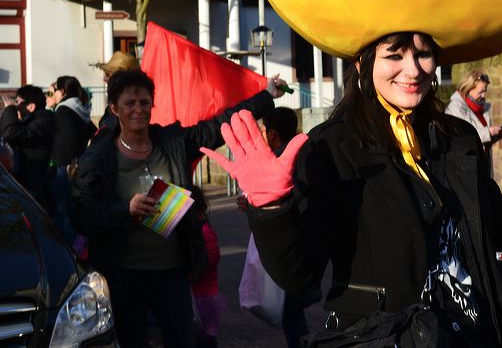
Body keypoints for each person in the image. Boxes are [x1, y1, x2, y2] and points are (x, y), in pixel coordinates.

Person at [203, 32, 502, 347]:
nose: (413, 69)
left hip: (472, 337)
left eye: (423, 54)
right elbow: (298, 275)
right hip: (381, 339)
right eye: (395, 55)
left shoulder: (457, 137)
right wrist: (271, 208)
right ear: (362, 65)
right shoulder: (332, 148)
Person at [69, 69, 288, 348]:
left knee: (182, 341)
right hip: (122, 276)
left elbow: (220, 123)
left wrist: (267, 95)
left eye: (145, 102)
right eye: (130, 103)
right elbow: (79, 213)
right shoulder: (97, 157)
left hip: (172, 272)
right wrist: (125, 209)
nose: (139, 109)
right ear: (114, 108)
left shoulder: (174, 142)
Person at [236, 107, 319, 348]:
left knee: (292, 315)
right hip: (299, 243)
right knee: (293, 314)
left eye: (263, 130)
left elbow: (288, 203)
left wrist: (258, 206)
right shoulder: (303, 154)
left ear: (272, 133)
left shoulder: (280, 162)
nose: (261, 134)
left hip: (289, 247)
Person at [48, 75, 97, 240]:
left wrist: (62, 163)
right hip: (78, 164)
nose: (51, 96)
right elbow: (93, 133)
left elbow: (65, 141)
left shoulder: (63, 110)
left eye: (53, 92)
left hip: (65, 168)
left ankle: (68, 248)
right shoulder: (80, 109)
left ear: (62, 91)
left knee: (63, 208)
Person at [1, 85, 55, 210]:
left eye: (18, 102)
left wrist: (10, 109)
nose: (16, 106)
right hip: (26, 183)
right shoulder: (31, 120)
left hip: (33, 186)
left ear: (30, 106)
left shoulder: (43, 121)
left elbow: (9, 133)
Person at [446, 70, 502, 169]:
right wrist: (488, 132)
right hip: (465, 165)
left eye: (485, 91)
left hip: (483, 162)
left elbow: (483, 140)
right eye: (480, 92)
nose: (483, 96)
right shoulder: (455, 108)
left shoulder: (482, 108)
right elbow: (463, 137)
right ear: (468, 88)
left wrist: (494, 135)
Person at [189, 185, 224, 348]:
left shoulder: (203, 232)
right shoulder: (203, 229)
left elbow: (208, 262)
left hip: (203, 299)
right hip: (205, 298)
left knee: (204, 341)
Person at [92, 50, 140, 136]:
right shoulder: (116, 105)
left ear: (118, 78)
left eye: (107, 74)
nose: (104, 79)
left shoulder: (128, 111)